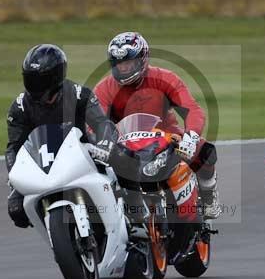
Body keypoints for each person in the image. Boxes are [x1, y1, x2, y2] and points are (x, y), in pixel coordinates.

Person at [5, 44, 148, 241]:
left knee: (125, 157)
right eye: (30, 78)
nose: (35, 85)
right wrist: (14, 187)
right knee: (16, 211)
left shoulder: (78, 94)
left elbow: (101, 123)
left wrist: (105, 145)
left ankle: (138, 215)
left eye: (40, 80)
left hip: (82, 153)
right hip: (45, 165)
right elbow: (14, 148)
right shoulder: (20, 107)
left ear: (55, 77)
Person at [93, 31, 221, 219]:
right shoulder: (104, 88)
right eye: (119, 64)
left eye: (128, 63)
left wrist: (191, 137)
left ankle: (209, 195)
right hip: (123, 143)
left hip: (167, 136)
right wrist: (100, 143)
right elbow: (94, 121)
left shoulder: (165, 78)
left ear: (143, 59)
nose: (124, 69)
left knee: (206, 151)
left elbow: (192, 109)